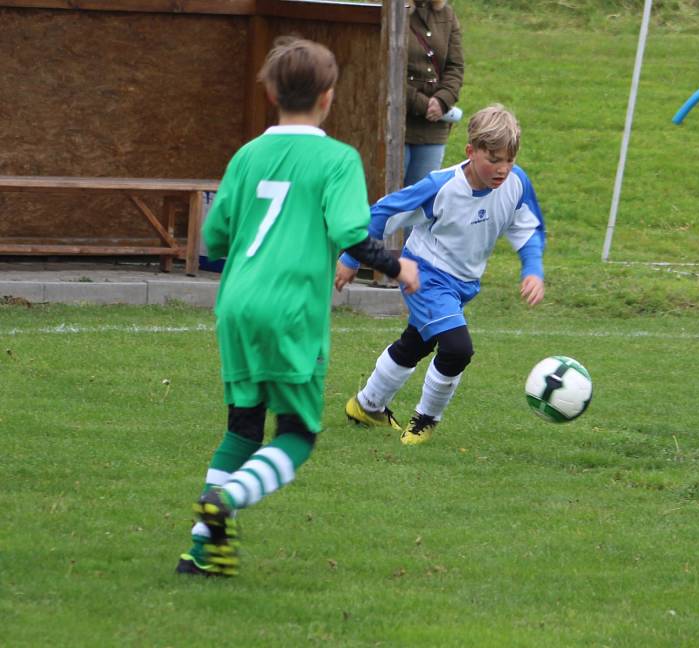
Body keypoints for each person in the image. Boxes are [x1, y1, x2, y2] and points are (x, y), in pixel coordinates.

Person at [175, 37, 419, 577]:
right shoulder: (337, 159)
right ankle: (227, 500)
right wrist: (398, 265)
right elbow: (352, 233)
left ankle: (201, 553)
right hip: (291, 311)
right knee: (295, 434)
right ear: (329, 98)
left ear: (269, 92)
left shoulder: (247, 156)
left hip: (236, 305)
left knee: (242, 428)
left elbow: (213, 238)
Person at [336, 104, 545, 446]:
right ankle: (425, 421)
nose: (501, 169)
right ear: (470, 151)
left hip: (463, 283)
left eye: (508, 160)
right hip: (425, 274)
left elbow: (528, 229)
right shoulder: (441, 186)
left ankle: (366, 406)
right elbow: (386, 210)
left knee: (417, 342)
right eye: (492, 159)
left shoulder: (517, 183)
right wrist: (352, 256)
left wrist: (533, 270)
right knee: (457, 348)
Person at [404, 0, 465, 187]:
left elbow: (455, 67)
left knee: (421, 202)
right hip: (397, 125)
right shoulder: (388, 11)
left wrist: (442, 100)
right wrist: (422, 105)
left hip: (433, 128)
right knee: (386, 199)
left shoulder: (447, 14)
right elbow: (382, 68)